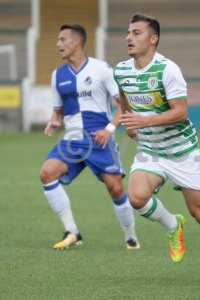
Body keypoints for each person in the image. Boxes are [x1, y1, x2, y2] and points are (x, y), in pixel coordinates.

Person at [115, 13, 200, 284]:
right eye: (128, 32)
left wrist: (144, 119)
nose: (129, 37)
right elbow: (124, 98)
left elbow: (181, 112)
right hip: (150, 149)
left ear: (153, 39)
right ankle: (173, 225)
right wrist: (129, 121)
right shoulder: (121, 70)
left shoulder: (167, 70)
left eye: (136, 33)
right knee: (136, 198)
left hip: (182, 152)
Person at [39, 24, 139, 250]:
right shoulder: (58, 75)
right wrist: (54, 120)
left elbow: (123, 105)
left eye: (62, 40)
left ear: (77, 42)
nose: (58, 45)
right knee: (47, 173)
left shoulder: (101, 69)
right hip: (72, 140)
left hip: (98, 138)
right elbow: (58, 110)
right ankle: (71, 231)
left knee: (115, 187)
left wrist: (109, 130)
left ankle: (130, 236)